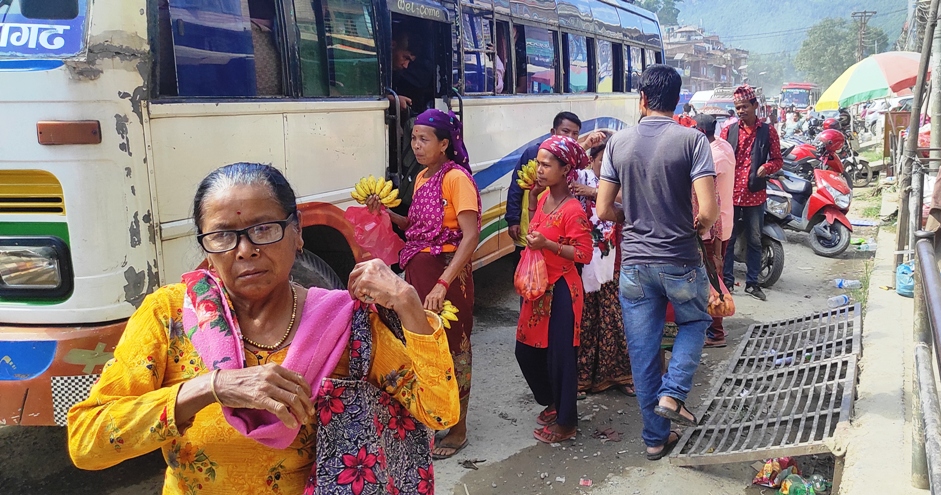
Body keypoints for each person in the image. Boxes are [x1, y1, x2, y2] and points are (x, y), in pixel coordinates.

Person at [67, 163, 459, 494]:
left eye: (264, 229)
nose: (245, 250)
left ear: (297, 231)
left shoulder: (344, 325)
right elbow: (86, 442)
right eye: (222, 236)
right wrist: (209, 387)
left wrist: (408, 303)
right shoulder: (169, 316)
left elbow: (440, 413)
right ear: (206, 247)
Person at [596, 64, 718, 461]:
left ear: (643, 99)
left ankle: (654, 438)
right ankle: (673, 393)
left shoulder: (618, 143)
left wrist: (631, 215)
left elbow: (603, 209)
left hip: (634, 264)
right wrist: (695, 225)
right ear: (677, 100)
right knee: (695, 323)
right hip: (680, 258)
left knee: (643, 352)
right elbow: (709, 212)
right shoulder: (692, 140)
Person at [375, 109, 481, 459]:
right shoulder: (422, 177)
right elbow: (416, 227)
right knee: (422, 346)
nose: (416, 146)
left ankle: (459, 429)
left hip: (446, 275)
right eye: (414, 138)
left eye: (424, 139)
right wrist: (387, 214)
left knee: (454, 349)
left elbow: (470, 236)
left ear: (444, 144)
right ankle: (432, 413)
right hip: (419, 272)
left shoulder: (457, 179)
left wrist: (442, 284)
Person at [516, 136, 595, 444]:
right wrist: (532, 201)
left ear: (565, 170)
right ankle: (552, 401)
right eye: (538, 164)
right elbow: (534, 232)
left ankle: (566, 422)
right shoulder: (544, 199)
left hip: (562, 289)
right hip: (538, 287)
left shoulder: (572, 209)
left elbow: (584, 254)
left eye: (546, 165)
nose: (539, 170)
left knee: (561, 357)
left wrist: (548, 245)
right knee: (526, 350)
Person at [571, 136, 635, 397]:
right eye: (601, 162)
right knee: (585, 322)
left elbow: (630, 202)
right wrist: (585, 144)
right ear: (591, 160)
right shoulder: (580, 177)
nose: (606, 168)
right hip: (583, 262)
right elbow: (562, 163)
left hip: (614, 262)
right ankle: (582, 379)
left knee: (613, 321)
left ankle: (618, 376)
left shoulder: (620, 182)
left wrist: (595, 193)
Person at [720, 85, 784, 302]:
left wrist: (767, 167)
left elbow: (777, 160)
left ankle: (752, 283)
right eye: (738, 107)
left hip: (754, 194)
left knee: (755, 240)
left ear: (755, 106)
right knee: (727, 239)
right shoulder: (728, 131)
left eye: (745, 107)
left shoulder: (768, 131)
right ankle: (727, 281)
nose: (741, 111)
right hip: (731, 193)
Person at [505, 113, 604, 248]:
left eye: (575, 133)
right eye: (565, 131)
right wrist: (513, 219)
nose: (570, 137)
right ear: (553, 132)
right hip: (530, 226)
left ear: (566, 169)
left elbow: (581, 252)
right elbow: (516, 187)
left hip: (558, 231)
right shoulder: (534, 153)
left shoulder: (572, 207)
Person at [695, 114, 735, 347]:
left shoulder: (709, 158)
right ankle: (714, 327)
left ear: (700, 132)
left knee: (711, 279)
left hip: (712, 229)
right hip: (723, 224)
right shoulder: (724, 147)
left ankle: (716, 332)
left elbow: (713, 204)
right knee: (714, 277)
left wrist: (717, 251)